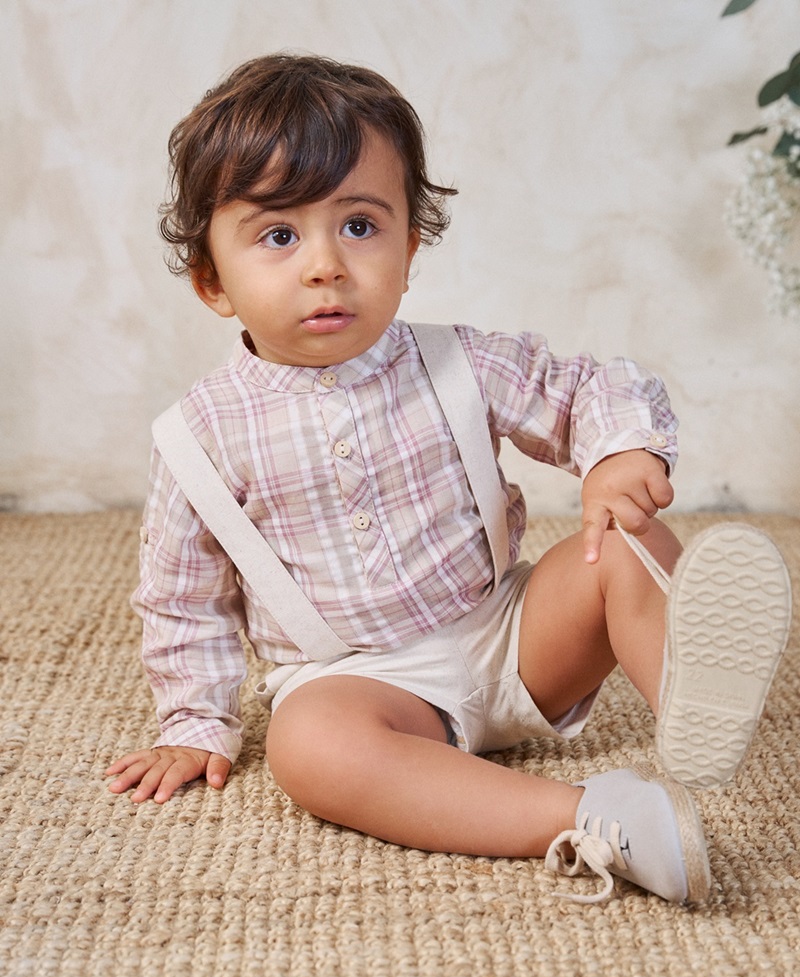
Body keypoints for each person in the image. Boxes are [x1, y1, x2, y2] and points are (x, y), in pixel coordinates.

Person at [107, 53, 791, 904]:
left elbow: (584, 388)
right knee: (308, 748)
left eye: (359, 226)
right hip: (359, 685)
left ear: (410, 242)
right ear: (213, 280)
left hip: (510, 633)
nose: (326, 264)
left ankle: (689, 699)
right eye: (280, 236)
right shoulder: (197, 438)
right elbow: (183, 600)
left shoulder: (457, 362)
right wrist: (196, 721)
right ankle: (601, 818)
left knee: (627, 536)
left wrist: (618, 455)